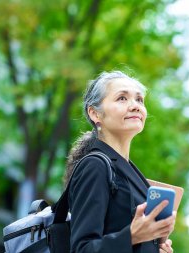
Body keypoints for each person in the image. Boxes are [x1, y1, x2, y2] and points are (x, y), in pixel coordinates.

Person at [64, 70, 176, 253]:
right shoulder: (95, 166)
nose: (135, 106)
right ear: (95, 114)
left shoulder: (126, 169)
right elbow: (81, 249)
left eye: (139, 99)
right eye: (122, 98)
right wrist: (133, 236)